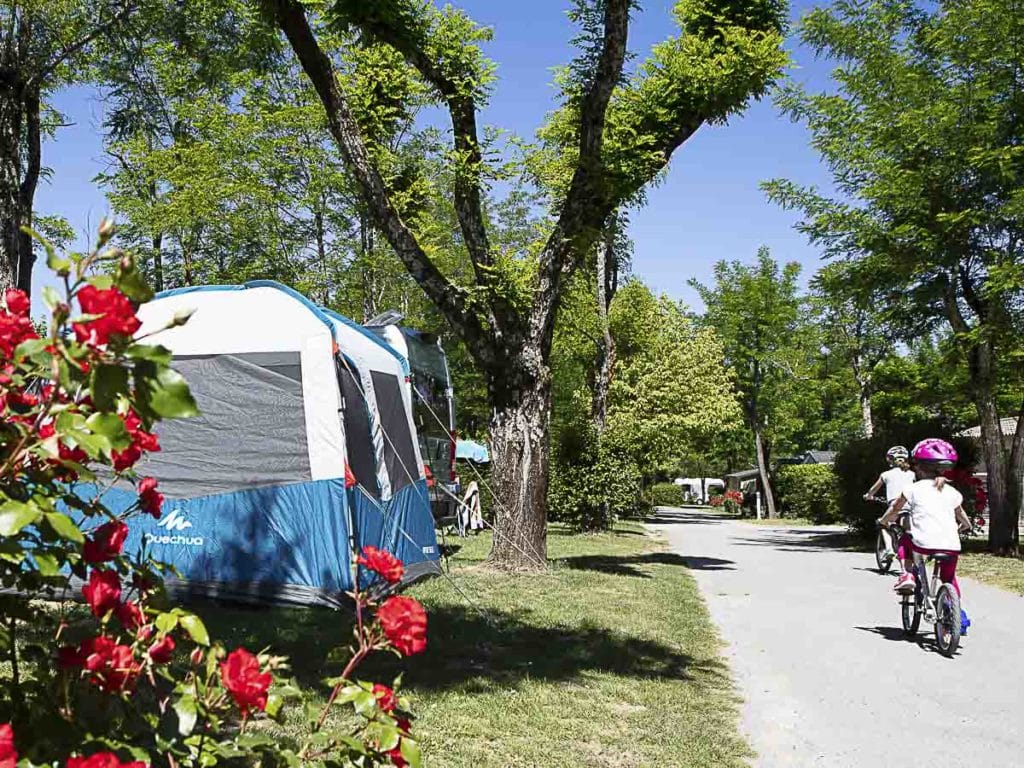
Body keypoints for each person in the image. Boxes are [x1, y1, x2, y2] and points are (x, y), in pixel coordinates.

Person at [878, 438, 972, 633]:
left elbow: (895, 509)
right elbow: (963, 518)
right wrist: (964, 527)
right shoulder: (952, 492)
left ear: (918, 467)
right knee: (949, 578)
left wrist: (884, 521)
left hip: (923, 544)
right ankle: (956, 615)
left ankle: (908, 574)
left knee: (905, 538)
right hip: (951, 545)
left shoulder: (912, 489)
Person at [863, 445, 915, 573]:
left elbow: (873, 490)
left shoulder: (885, 474)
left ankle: (889, 549)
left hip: (894, 507)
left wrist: (868, 496)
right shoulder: (912, 474)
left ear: (890, 460)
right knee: (908, 533)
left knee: (882, 523)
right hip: (910, 506)